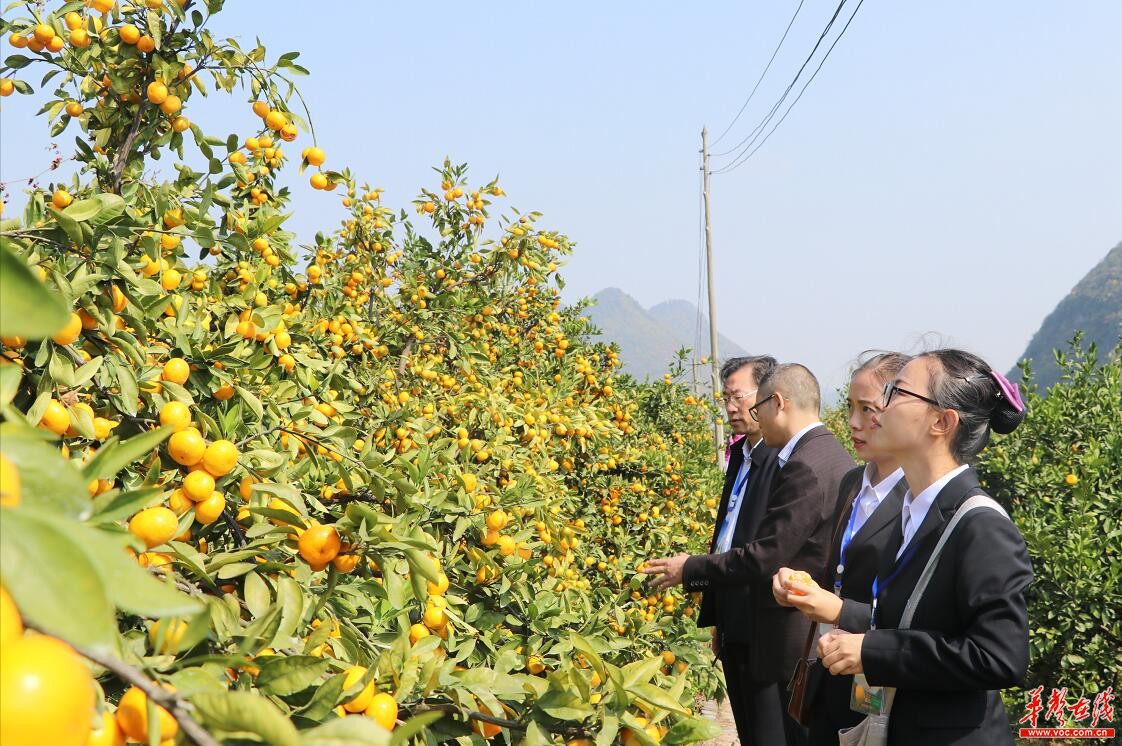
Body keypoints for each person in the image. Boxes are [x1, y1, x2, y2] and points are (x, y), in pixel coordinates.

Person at [816, 349, 1032, 745]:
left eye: (896, 392)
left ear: (941, 421)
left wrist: (875, 651)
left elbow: (1000, 657)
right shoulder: (913, 511)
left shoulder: (980, 525)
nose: (880, 406)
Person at [646, 363, 855, 746]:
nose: (747, 414)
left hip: (782, 637)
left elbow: (767, 554)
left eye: (755, 406)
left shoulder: (803, 464)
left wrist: (690, 568)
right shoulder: (824, 454)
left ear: (777, 403)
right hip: (772, 630)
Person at [771, 352, 911, 745]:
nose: (853, 422)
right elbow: (836, 568)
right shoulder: (853, 482)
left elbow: (917, 617)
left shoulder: (916, 499)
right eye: (850, 406)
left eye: (868, 409)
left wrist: (840, 610)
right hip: (831, 668)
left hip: (880, 677)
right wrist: (797, 584)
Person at [693, 355, 779, 744]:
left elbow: (767, 548)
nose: (729, 407)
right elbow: (725, 535)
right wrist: (716, 615)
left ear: (768, 398)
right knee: (747, 726)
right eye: (725, 398)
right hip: (732, 613)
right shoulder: (741, 455)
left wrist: (691, 569)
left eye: (737, 396)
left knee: (769, 728)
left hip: (764, 618)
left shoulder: (782, 460)